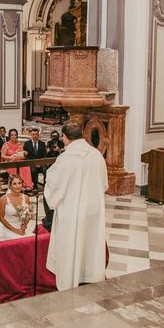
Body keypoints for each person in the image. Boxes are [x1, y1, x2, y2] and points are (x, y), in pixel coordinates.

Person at [44, 121, 108, 291]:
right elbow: (103, 185)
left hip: (72, 213)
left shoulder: (65, 159)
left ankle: (69, 284)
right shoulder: (96, 154)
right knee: (90, 245)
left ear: (64, 137)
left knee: (71, 249)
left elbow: (53, 189)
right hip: (93, 212)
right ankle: (90, 279)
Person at [0, 174, 33, 240]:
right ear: (10, 186)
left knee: (31, 239)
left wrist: (24, 226)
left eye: (19, 183)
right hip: (9, 227)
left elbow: (29, 214)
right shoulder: (4, 199)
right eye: (14, 184)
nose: (17, 186)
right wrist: (15, 230)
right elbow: (1, 218)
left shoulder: (26, 198)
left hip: (22, 227)